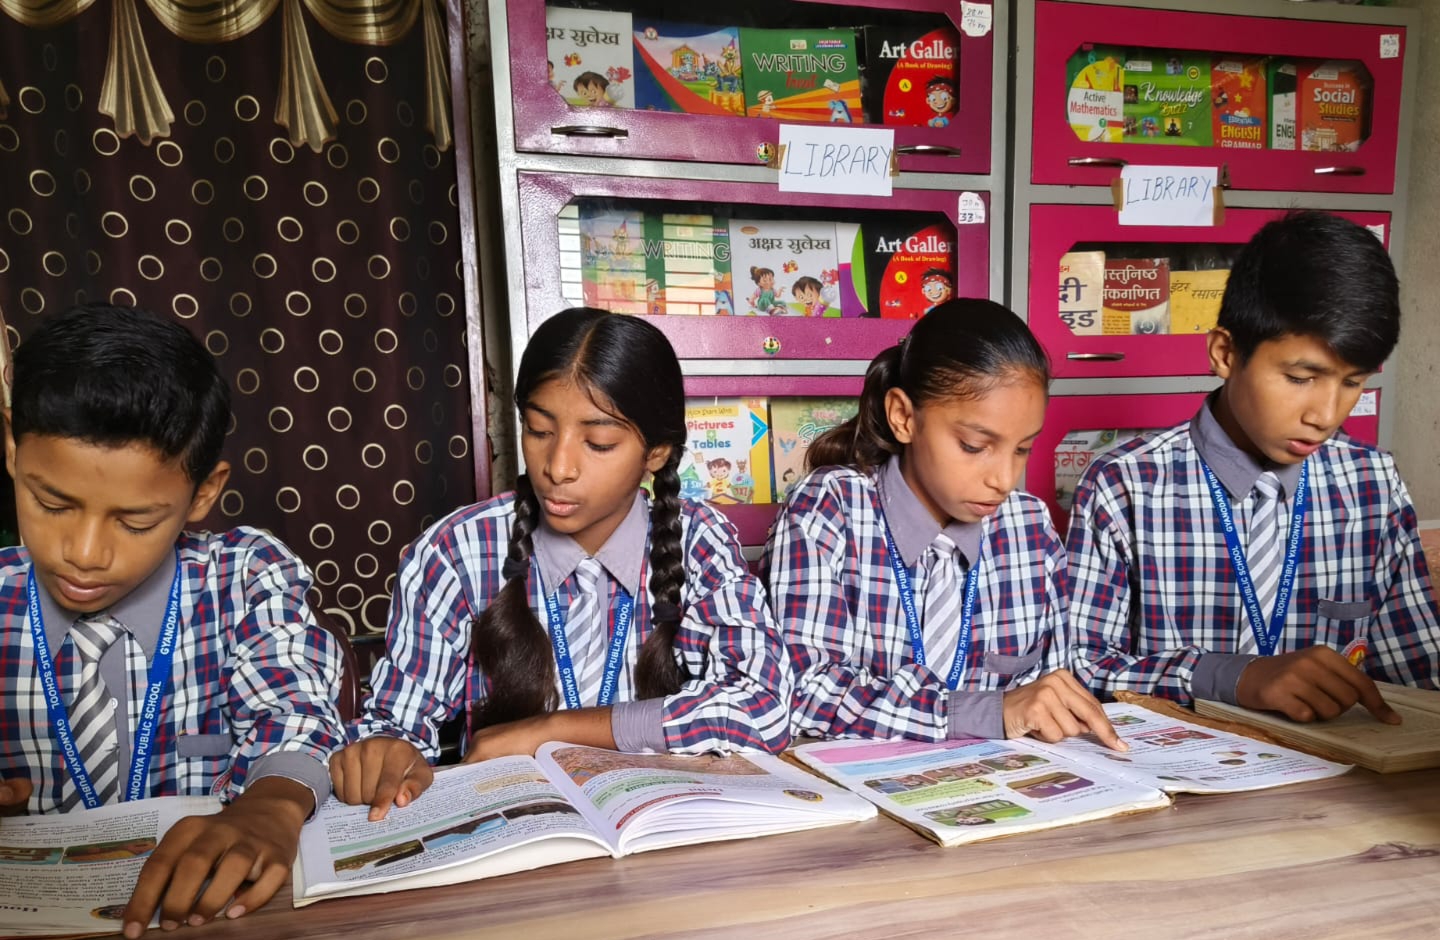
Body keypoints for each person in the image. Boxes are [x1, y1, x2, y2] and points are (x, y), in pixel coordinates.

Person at [334, 308, 791, 819]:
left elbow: (761, 707)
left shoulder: (699, 540)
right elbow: (393, 725)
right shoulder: (456, 551)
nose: (557, 467)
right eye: (538, 430)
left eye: (598, 443)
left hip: (661, 833)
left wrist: (548, 732)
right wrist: (387, 751)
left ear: (656, 452)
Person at [0, 303, 344, 937]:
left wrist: (269, 806)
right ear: (12, 451)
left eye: (135, 522)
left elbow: (294, 715)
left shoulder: (243, 577)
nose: (83, 553)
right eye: (51, 503)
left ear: (204, 493)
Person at [1067, 210, 1440, 722]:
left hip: (1338, 788)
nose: (1325, 415)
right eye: (1301, 376)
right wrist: (1234, 676)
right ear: (1224, 353)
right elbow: (1083, 668)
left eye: (1352, 382)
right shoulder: (1125, 486)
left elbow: (1416, 671)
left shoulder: (1372, 483)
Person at [762, 299, 1122, 748]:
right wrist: (986, 712)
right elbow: (803, 691)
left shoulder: (1029, 527)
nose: (1004, 479)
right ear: (904, 417)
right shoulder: (830, 509)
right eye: (974, 446)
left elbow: (1051, 682)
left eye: (1023, 448)